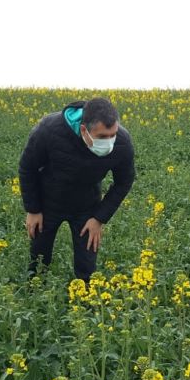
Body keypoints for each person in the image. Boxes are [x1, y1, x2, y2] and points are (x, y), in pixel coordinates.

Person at [18, 97, 135, 282]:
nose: (110, 142)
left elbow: (124, 181)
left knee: (87, 269)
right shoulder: (49, 129)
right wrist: (33, 209)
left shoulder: (122, 142)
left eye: (112, 134)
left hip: (87, 207)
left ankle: (85, 304)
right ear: (83, 130)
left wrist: (99, 218)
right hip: (48, 201)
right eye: (102, 137)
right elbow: (27, 167)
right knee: (38, 260)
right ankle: (34, 293)